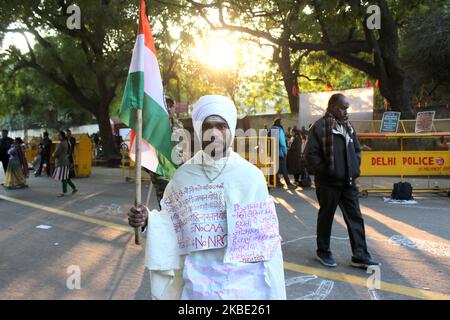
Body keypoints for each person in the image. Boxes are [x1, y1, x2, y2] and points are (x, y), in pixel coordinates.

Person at [128, 95, 286, 300]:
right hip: (198, 284)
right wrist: (147, 220)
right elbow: (170, 223)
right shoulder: (183, 177)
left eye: (221, 126)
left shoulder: (251, 176)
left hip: (244, 286)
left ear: (230, 130)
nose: (214, 133)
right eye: (207, 126)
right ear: (198, 130)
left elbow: (266, 241)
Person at [305, 93, 380, 269]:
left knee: (355, 218)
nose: (345, 111)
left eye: (347, 108)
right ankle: (323, 252)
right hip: (328, 183)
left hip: (348, 183)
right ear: (332, 107)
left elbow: (357, 150)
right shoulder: (320, 126)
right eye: (342, 107)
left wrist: (354, 169)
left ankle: (360, 255)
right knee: (326, 217)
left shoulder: (348, 126)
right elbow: (310, 155)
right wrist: (327, 172)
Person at [147, 95, 185, 209]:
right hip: (161, 174)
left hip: (178, 172)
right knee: (165, 207)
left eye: (170, 106)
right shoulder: (154, 126)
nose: (168, 108)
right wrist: (153, 171)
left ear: (174, 108)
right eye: (165, 105)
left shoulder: (179, 125)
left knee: (180, 208)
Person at [52, 131, 77, 197]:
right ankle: (74, 188)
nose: (58, 136)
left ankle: (64, 191)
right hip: (65, 161)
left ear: (62, 136)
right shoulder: (66, 142)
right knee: (66, 177)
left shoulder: (61, 144)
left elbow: (56, 153)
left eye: (59, 135)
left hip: (61, 162)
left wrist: (53, 155)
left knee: (63, 178)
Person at [270, 118, 294, 188]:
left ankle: (277, 182)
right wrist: (285, 151)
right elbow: (282, 143)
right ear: (279, 123)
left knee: (275, 168)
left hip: (272, 152)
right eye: (281, 122)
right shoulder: (279, 130)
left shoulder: (270, 129)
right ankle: (288, 183)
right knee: (284, 168)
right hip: (280, 152)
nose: (282, 124)